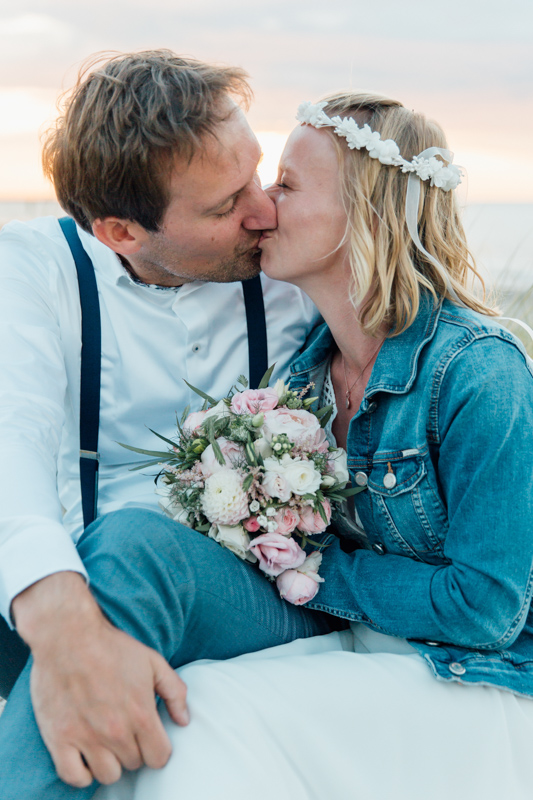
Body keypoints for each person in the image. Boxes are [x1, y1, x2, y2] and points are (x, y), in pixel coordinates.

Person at [96, 92, 533, 800]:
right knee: (181, 699)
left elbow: (486, 607)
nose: (261, 208)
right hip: (358, 649)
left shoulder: (477, 371)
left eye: (287, 186)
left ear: (365, 212)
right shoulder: (299, 378)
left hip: (470, 682)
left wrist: (305, 571)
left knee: (208, 718)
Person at [0, 51, 347, 800]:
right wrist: (64, 627)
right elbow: (11, 435)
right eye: (225, 206)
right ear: (120, 231)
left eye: (257, 175)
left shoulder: (296, 265)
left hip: (257, 593)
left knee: (130, 549)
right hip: (84, 569)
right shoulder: (31, 269)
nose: (263, 212)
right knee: (78, 560)